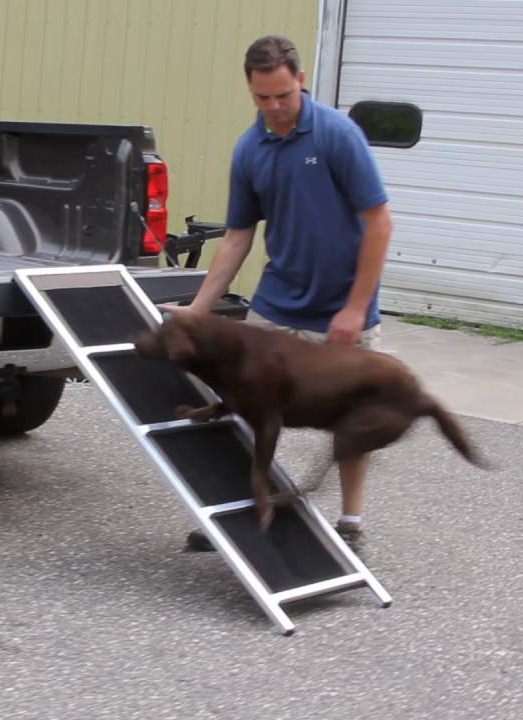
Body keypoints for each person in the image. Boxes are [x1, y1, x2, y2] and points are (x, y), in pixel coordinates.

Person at [175, 34, 394, 552]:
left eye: (282, 95)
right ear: (250, 90)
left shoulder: (338, 136)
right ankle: (244, 510)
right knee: (238, 405)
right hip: (277, 304)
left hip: (341, 308)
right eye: (261, 98)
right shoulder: (249, 149)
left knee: (352, 420)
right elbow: (237, 235)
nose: (273, 108)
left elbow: (380, 223)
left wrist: (356, 309)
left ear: (300, 80)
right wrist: (197, 311)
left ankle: (352, 523)